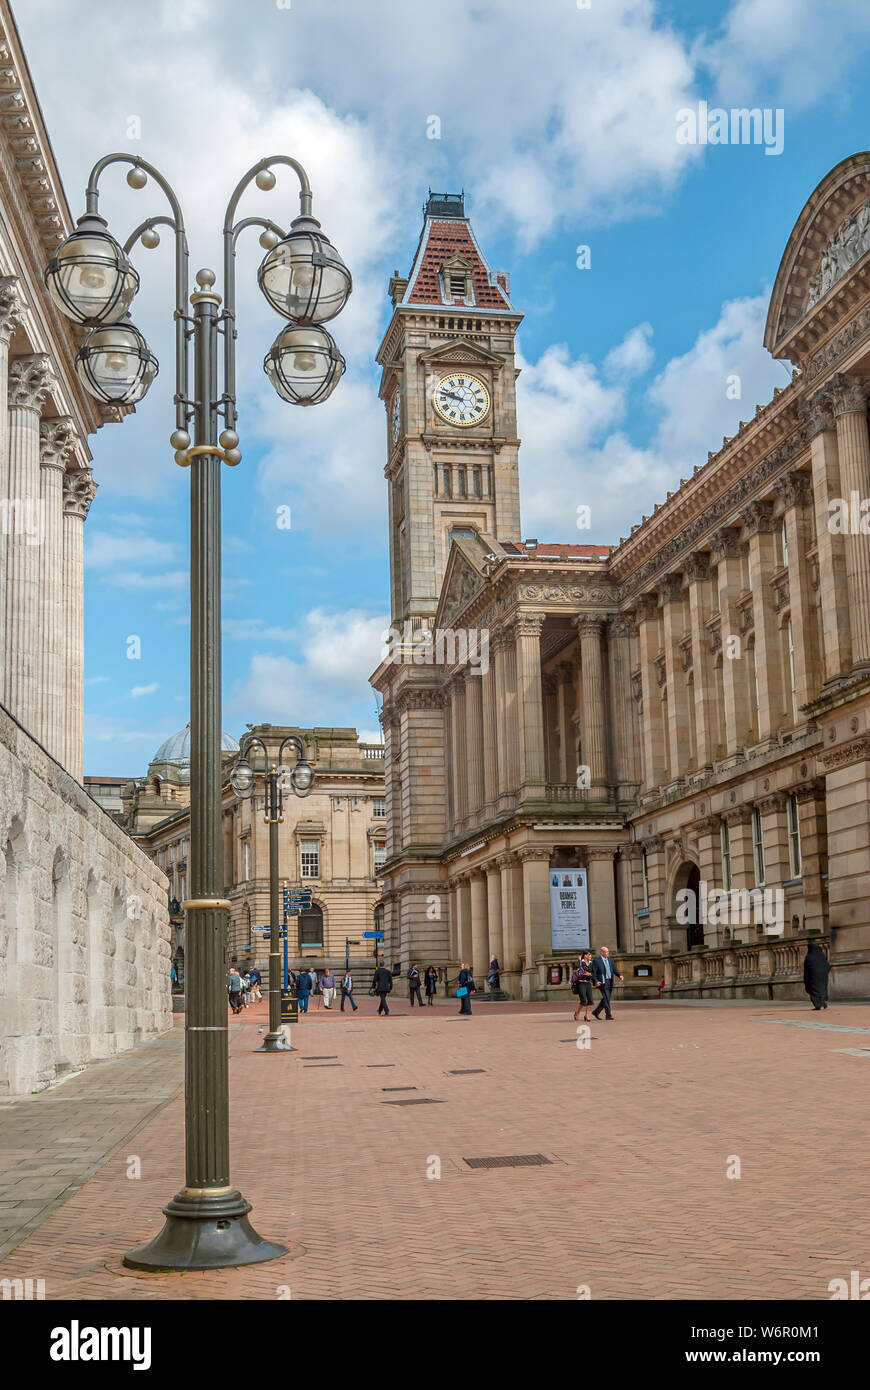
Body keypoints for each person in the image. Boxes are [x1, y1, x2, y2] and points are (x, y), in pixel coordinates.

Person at [591, 946, 624, 1021]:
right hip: (602, 982)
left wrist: (620, 975)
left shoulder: (610, 960)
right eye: (606, 952)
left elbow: (614, 969)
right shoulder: (596, 961)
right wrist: (596, 981)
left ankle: (596, 1012)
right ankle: (608, 1015)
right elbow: (594, 973)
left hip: (610, 981)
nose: (608, 953)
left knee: (606, 998)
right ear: (602, 952)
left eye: (608, 951)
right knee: (606, 997)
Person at [803, 941, 830, 1010]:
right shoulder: (821, 955)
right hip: (823, 976)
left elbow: (806, 968)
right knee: (821, 989)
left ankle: (818, 1005)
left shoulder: (809, 957)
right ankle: (822, 1003)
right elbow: (827, 965)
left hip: (813, 977)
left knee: (813, 990)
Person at [571, 950, 595, 1023]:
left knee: (590, 1000)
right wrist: (579, 960)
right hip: (580, 983)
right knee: (584, 1000)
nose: (591, 956)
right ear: (585, 955)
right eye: (589, 955)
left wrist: (590, 974)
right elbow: (576, 967)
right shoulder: (581, 962)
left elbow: (594, 973)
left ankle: (586, 1015)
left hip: (588, 983)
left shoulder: (591, 963)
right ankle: (577, 1013)